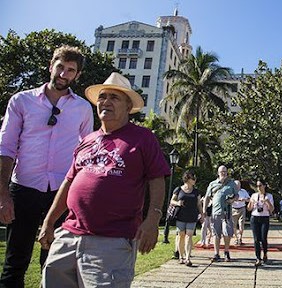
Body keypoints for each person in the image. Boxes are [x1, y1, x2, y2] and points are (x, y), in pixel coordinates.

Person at [38, 72, 171, 287]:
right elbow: (69, 182)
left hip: (112, 241)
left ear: (128, 107)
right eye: (102, 96)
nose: (105, 102)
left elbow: (157, 178)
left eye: (114, 97)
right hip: (69, 235)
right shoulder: (87, 140)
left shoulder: (143, 137)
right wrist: (49, 221)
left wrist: (153, 219)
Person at [0, 45, 94, 287]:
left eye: (70, 70)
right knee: (15, 260)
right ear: (51, 66)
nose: (63, 74)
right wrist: (3, 195)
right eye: (60, 67)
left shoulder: (83, 108)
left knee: (54, 262)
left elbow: (86, 155)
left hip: (62, 192)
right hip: (24, 187)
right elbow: (6, 148)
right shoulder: (21, 101)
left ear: (77, 75)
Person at [203, 165, 238, 262]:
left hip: (227, 212)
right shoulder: (212, 184)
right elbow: (207, 197)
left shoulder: (232, 184)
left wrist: (232, 200)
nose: (224, 173)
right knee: (216, 233)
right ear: (218, 173)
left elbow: (237, 195)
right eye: (222, 171)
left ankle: (226, 252)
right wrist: (204, 210)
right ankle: (216, 253)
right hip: (215, 212)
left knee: (227, 232)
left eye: (225, 171)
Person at [170, 170, 202, 266]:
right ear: (187, 179)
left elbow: (199, 204)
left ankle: (188, 257)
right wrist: (178, 203)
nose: (195, 180)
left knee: (189, 235)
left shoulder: (196, 191)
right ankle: (181, 256)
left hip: (192, 216)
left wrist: (202, 215)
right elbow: (172, 201)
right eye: (193, 178)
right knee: (181, 236)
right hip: (180, 215)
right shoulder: (178, 189)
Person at [247, 179, 274, 266]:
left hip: (264, 218)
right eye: (257, 186)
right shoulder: (254, 195)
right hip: (255, 217)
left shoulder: (269, 196)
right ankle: (258, 258)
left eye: (260, 186)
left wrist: (267, 202)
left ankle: (265, 254)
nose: (258, 188)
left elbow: (271, 209)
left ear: (264, 186)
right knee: (256, 239)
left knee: (263, 238)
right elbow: (249, 208)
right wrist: (252, 203)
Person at [232, 180, 250, 245]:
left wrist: (244, 199)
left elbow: (249, 199)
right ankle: (236, 238)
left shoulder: (244, 191)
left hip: (242, 208)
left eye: (239, 185)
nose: (237, 186)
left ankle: (240, 238)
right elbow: (228, 200)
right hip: (233, 209)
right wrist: (234, 199)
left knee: (241, 225)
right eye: (236, 185)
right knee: (233, 225)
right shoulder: (231, 191)